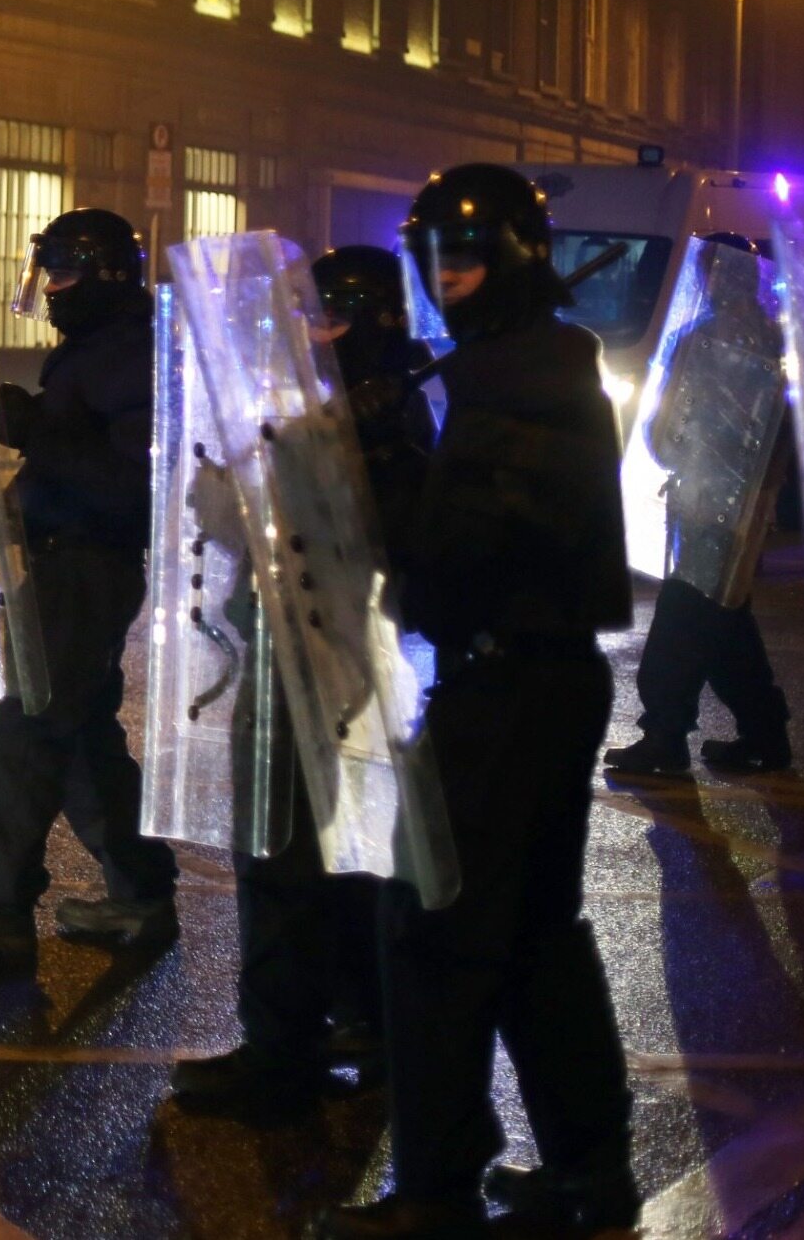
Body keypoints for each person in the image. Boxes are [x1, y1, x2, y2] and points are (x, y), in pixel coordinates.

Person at [320, 165, 636, 1240]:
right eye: (435, 259)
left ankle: (438, 1190)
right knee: (536, 935)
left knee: (438, 929)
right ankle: (589, 1168)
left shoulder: (520, 379)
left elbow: (464, 545)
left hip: (507, 683)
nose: (447, 278)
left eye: (464, 256)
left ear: (510, 257)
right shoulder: (521, 365)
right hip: (532, 678)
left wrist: (380, 473)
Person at [168, 244, 431, 1126]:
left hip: (321, 658)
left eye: (328, 314)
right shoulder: (347, 408)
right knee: (333, 853)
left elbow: (330, 535)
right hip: (314, 651)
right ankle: (372, 1021)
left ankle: (283, 1050)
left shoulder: (381, 419)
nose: (309, 332)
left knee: (279, 849)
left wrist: (254, 481)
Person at [0, 208, 179, 968]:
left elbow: (133, 482)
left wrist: (38, 433)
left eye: (63, 272)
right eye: (46, 273)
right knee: (84, 736)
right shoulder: (94, 349)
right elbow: (67, 464)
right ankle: (139, 892)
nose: (50, 289)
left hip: (88, 567)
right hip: (64, 561)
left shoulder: (128, 355)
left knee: (25, 731)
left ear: (106, 273)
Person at [605, 233, 791, 779]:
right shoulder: (776, 339)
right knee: (723, 624)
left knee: (682, 624)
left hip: (711, 503)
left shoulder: (707, 339)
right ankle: (765, 734)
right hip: (740, 508)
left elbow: (670, 431)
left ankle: (665, 735)